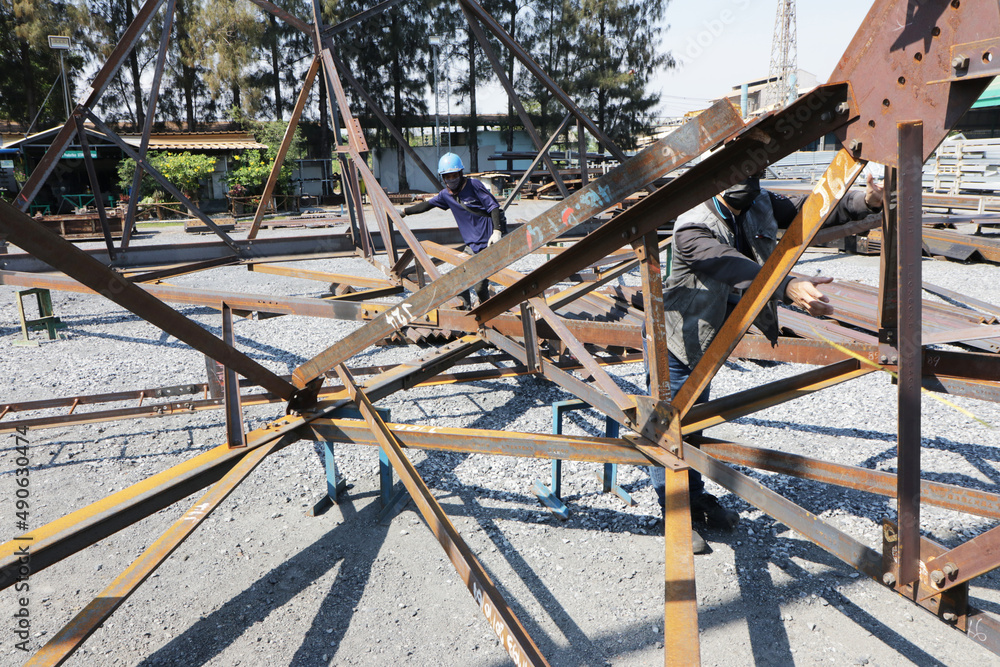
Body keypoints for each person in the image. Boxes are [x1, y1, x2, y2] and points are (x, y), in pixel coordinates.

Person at [649, 172, 884, 553]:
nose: (749, 183)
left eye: (755, 175)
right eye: (741, 175)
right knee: (668, 426)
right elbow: (731, 265)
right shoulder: (691, 225)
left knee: (692, 424)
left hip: (715, 337)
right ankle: (674, 512)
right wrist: (788, 286)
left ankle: (694, 497)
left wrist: (869, 200)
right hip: (680, 338)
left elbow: (814, 210)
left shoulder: (759, 202)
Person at [399, 153, 505, 308]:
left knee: (479, 286)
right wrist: (404, 212)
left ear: (460, 173)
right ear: (443, 178)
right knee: (459, 281)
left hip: (489, 243)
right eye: (447, 176)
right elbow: (427, 205)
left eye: (454, 175)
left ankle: (486, 307)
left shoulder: (474, 185)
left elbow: (493, 207)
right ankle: (465, 311)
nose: (451, 179)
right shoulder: (445, 195)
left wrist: (497, 231)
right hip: (471, 246)